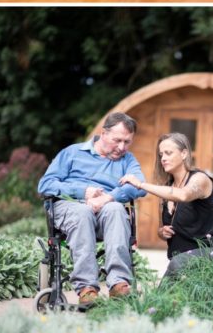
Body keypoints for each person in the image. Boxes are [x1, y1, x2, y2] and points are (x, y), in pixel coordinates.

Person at [36, 112, 149, 304]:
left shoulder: (127, 160)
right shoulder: (72, 153)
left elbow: (138, 186)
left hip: (106, 214)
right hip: (70, 208)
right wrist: (83, 191)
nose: (122, 147)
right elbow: (45, 185)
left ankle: (119, 284)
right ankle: (87, 288)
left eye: (127, 142)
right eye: (117, 140)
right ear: (103, 133)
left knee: (115, 209)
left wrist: (107, 198)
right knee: (83, 211)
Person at [123, 132, 213, 280]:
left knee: (169, 287)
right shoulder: (167, 189)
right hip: (182, 259)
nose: (163, 158)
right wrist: (162, 232)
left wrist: (140, 184)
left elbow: (183, 195)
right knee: (171, 299)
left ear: (184, 153)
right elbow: (162, 228)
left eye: (168, 153)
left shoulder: (200, 179)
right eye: (161, 154)